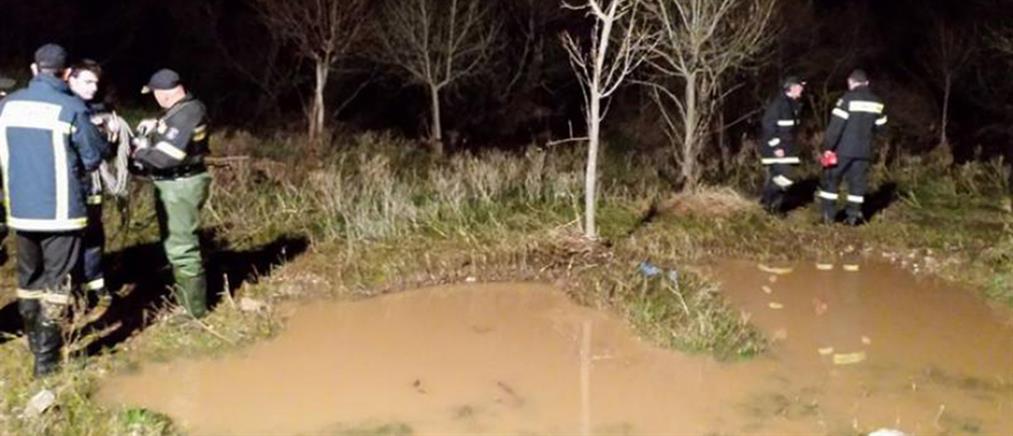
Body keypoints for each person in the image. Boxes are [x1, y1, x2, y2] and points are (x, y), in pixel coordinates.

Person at [0, 44, 108, 377]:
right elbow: (93, 156)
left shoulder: (7, 105)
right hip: (61, 213)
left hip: (20, 212)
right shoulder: (71, 107)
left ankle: (35, 343)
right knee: (58, 285)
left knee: (29, 280)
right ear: (66, 73)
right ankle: (46, 363)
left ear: (34, 69)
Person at [132, 69, 212, 318]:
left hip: (181, 184)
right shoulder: (182, 109)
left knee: (182, 248)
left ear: (163, 94)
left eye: (155, 94)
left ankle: (194, 311)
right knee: (174, 243)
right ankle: (186, 300)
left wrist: (139, 152)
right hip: (175, 182)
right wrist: (156, 127)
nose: (154, 98)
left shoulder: (188, 112)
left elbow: (168, 156)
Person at [67, 59, 118, 302]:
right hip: (69, 185)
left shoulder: (96, 110)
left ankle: (95, 284)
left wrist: (111, 134)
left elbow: (105, 152)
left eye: (95, 83)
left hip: (92, 185)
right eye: (87, 82)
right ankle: (71, 287)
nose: (93, 88)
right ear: (71, 79)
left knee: (93, 234)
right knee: (68, 240)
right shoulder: (66, 109)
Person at [817, 69, 888, 225]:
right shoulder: (877, 102)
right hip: (864, 151)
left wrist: (828, 147)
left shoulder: (847, 99)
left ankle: (828, 216)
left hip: (843, 149)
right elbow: (882, 129)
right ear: (867, 83)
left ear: (851, 82)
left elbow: (836, 127)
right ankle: (853, 217)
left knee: (831, 180)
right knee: (857, 184)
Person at [759, 76, 805, 215]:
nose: (802, 89)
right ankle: (767, 202)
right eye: (799, 86)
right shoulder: (779, 105)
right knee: (785, 177)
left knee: (778, 177)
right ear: (791, 87)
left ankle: (772, 208)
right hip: (778, 150)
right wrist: (776, 146)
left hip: (787, 149)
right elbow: (768, 126)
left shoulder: (792, 104)